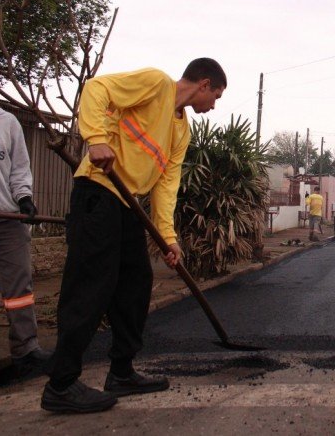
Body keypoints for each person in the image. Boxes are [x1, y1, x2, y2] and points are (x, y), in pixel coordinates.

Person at [41, 59, 227, 413]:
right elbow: (95, 88)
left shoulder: (181, 130)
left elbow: (166, 185)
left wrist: (167, 237)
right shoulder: (156, 84)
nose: (213, 105)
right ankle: (61, 384)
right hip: (98, 191)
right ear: (203, 84)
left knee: (135, 286)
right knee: (91, 285)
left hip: (128, 205)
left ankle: (122, 372)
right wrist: (95, 139)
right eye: (215, 96)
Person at [0, 60, 52, 372]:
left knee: (19, 287)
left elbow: (20, 167)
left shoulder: (8, 122)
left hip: (6, 219)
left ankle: (25, 347)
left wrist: (24, 199)